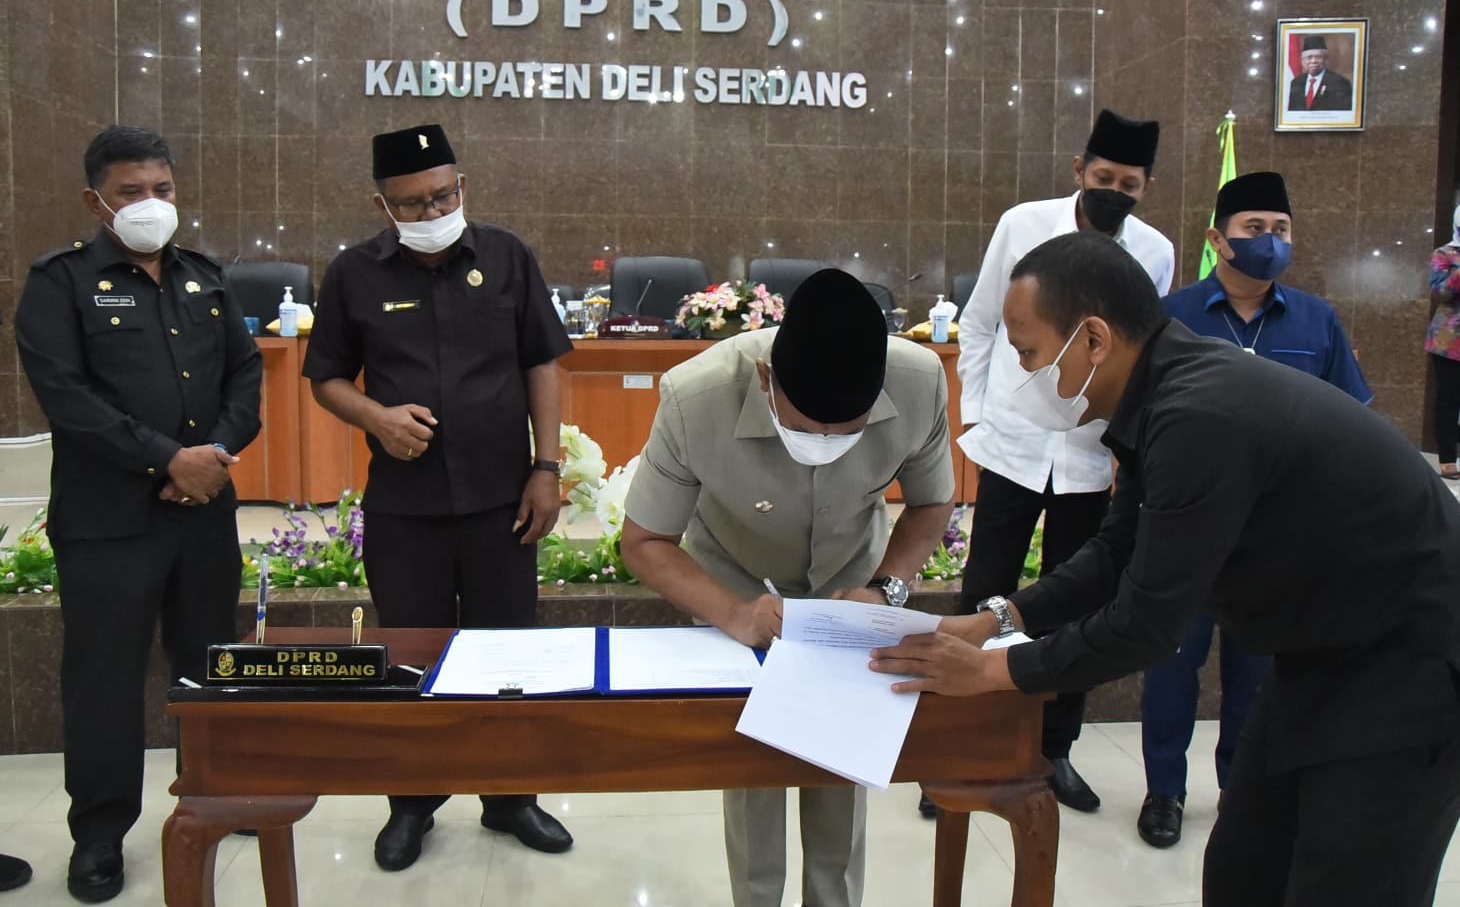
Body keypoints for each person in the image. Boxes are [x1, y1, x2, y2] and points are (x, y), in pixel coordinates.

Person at [872, 232, 1460, 907]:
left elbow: (1146, 625)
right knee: (1244, 870)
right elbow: (1118, 549)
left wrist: (989, 673)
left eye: (1029, 353)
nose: (1024, 374)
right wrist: (995, 619)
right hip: (1321, 656)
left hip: (1413, 664)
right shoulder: (1160, 393)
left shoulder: (1199, 414)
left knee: (1347, 885)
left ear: (1093, 339)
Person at [621, 268, 955, 907]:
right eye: (807, 427)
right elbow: (644, 541)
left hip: (851, 586)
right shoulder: (695, 398)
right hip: (735, 582)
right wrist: (734, 613)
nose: (826, 442)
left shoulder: (919, 381)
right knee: (753, 770)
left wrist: (885, 589)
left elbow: (932, 503)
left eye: (848, 429)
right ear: (765, 379)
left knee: (841, 764)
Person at [302, 124, 575, 871]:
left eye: (442, 196)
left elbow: (543, 364)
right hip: (406, 508)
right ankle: (412, 804)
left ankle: (510, 797)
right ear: (383, 206)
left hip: (502, 502)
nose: (432, 212)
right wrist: (376, 418)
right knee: (411, 661)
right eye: (413, 204)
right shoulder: (354, 273)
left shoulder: (508, 257)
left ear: (462, 187)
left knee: (506, 656)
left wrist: (546, 468)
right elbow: (325, 378)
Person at [14, 126, 262, 903]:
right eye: (131, 192)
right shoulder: (59, 282)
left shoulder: (204, 277)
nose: (150, 203)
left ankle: (216, 794)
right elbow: (68, 399)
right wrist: (168, 460)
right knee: (104, 683)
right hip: (108, 523)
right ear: (96, 202)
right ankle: (99, 835)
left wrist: (212, 454)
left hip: (203, 515)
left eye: (162, 188)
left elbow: (245, 375)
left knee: (210, 665)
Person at [1135, 171, 1372, 849]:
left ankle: (1241, 792)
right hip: (1187, 530)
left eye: (1281, 230)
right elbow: (1136, 419)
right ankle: (1164, 792)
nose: (1270, 241)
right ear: (1218, 239)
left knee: (1257, 675)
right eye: (1255, 229)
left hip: (1277, 536)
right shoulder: (1171, 316)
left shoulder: (1316, 321)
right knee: (1171, 668)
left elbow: (1349, 423)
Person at [950, 108, 1174, 814]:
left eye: (1129, 185)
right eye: (1104, 178)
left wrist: (1125, 445)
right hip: (1012, 442)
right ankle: (962, 739)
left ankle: (1056, 750)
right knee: (985, 588)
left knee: (1076, 602)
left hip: (1088, 450)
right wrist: (979, 414)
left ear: (1146, 187)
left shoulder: (1156, 252)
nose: (1114, 192)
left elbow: (1141, 354)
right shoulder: (1023, 223)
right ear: (1080, 170)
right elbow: (979, 323)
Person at [1425, 195, 1460, 479]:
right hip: (1450, 344)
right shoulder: (1444, 253)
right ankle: (1446, 458)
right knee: (1449, 401)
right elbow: (1439, 293)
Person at [1287, 35, 1353, 111]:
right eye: (1309, 57)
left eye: (1318, 57)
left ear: (1325, 60)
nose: (1313, 61)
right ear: (1302, 61)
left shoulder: (1340, 83)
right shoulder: (1296, 82)